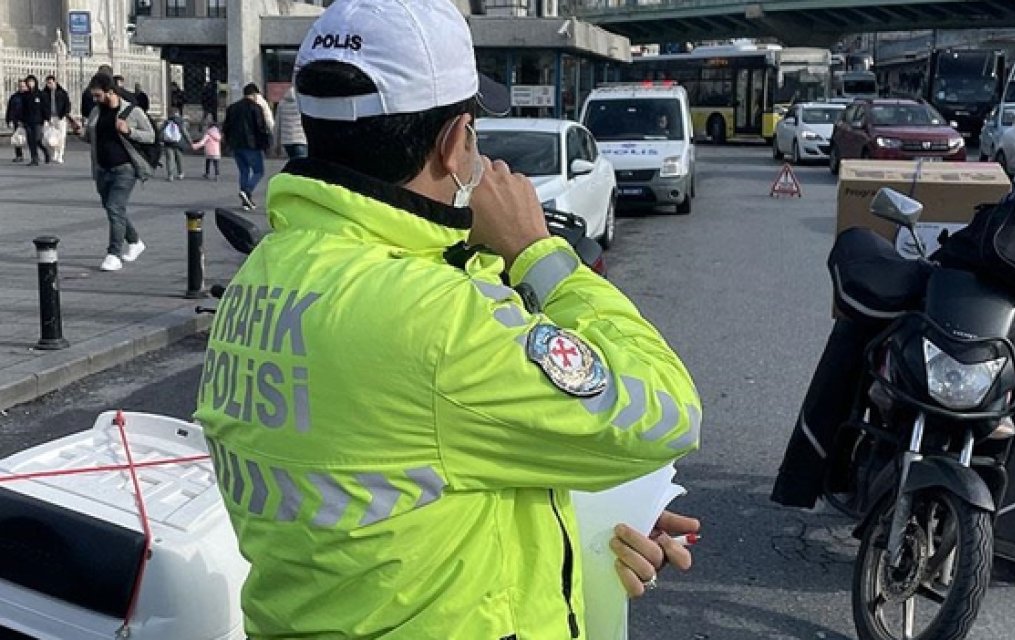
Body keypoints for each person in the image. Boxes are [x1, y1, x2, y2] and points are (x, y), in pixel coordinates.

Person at [192, 0, 702, 637]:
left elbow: (405, 478)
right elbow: (665, 410)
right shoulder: (435, 317)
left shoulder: (270, 272)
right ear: (456, 141)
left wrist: (593, 517)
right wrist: (538, 254)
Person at [82, 73, 153, 272]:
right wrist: (83, 132)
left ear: (111, 92)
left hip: (125, 169)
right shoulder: (96, 112)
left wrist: (129, 131)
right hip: (102, 169)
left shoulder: (132, 111)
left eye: (98, 95)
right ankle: (135, 241)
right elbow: (91, 138)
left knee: (114, 207)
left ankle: (113, 254)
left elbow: (151, 136)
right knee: (113, 209)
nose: (95, 100)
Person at [223, 83, 271, 210]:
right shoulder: (256, 108)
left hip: (236, 145)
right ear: (255, 94)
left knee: (243, 171)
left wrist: (228, 143)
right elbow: (260, 128)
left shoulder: (232, 108)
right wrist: (265, 144)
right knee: (258, 171)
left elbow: (226, 127)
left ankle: (246, 201)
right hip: (252, 145)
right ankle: (247, 191)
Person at [19, 75, 51, 166]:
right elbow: (22, 109)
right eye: (28, 82)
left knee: (37, 139)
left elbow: (45, 108)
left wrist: (46, 119)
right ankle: (34, 158)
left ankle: (45, 152)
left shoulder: (41, 95)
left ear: (35, 82)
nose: (30, 84)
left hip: (38, 121)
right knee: (30, 140)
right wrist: (21, 120)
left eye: (32, 82)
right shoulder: (25, 95)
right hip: (28, 121)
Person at [42, 75, 72, 164]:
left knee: (61, 137)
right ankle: (54, 152)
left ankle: (60, 155)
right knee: (48, 137)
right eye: (47, 83)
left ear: (55, 82)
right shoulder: (44, 94)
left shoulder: (62, 93)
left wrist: (63, 115)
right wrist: (46, 117)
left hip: (60, 117)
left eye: (51, 83)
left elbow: (67, 105)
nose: (49, 85)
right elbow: (42, 107)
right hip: (49, 118)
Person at [272, 86, 306, 159]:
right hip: (301, 139)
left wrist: (276, 143)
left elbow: (277, 125)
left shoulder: (281, 104)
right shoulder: (302, 103)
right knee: (302, 166)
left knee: (293, 163)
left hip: (287, 141)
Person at [161, 108, 192, 180]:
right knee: (179, 159)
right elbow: (185, 133)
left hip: (168, 143)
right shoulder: (180, 121)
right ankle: (180, 173)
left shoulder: (166, 121)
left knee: (169, 159)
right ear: (177, 113)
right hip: (178, 143)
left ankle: (170, 175)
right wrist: (190, 142)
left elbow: (160, 130)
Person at [6, 80, 25, 163]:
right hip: (16, 120)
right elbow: (9, 109)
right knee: (17, 138)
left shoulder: (29, 96)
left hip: (27, 120)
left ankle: (35, 155)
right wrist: (8, 120)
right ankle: (19, 155)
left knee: (33, 139)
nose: (22, 88)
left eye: (23, 86)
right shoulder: (14, 97)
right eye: (20, 86)